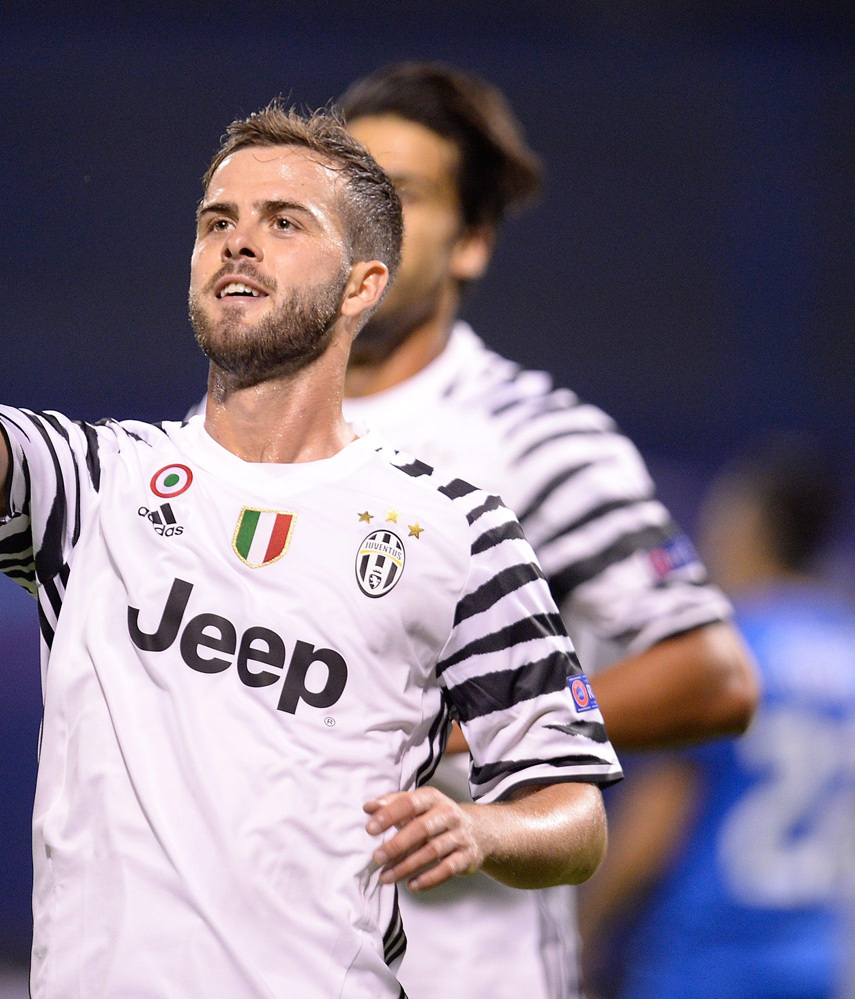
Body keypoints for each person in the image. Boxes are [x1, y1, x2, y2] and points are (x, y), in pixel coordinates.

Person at [0, 103, 621, 998]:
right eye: (218, 221)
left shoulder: (458, 531)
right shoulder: (97, 482)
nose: (238, 242)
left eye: (284, 222)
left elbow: (574, 816)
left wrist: (484, 829)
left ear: (362, 285)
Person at [331, 62, 759, 997]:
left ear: (473, 242)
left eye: (404, 195)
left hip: (466, 967)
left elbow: (713, 672)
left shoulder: (533, 435)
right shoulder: (239, 434)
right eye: (349, 189)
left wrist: (473, 732)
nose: (367, 219)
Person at [577, 439, 855, 999]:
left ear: (752, 524)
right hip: (818, 961)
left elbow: (658, 819)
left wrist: (586, 929)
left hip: (705, 964)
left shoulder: (724, 655)